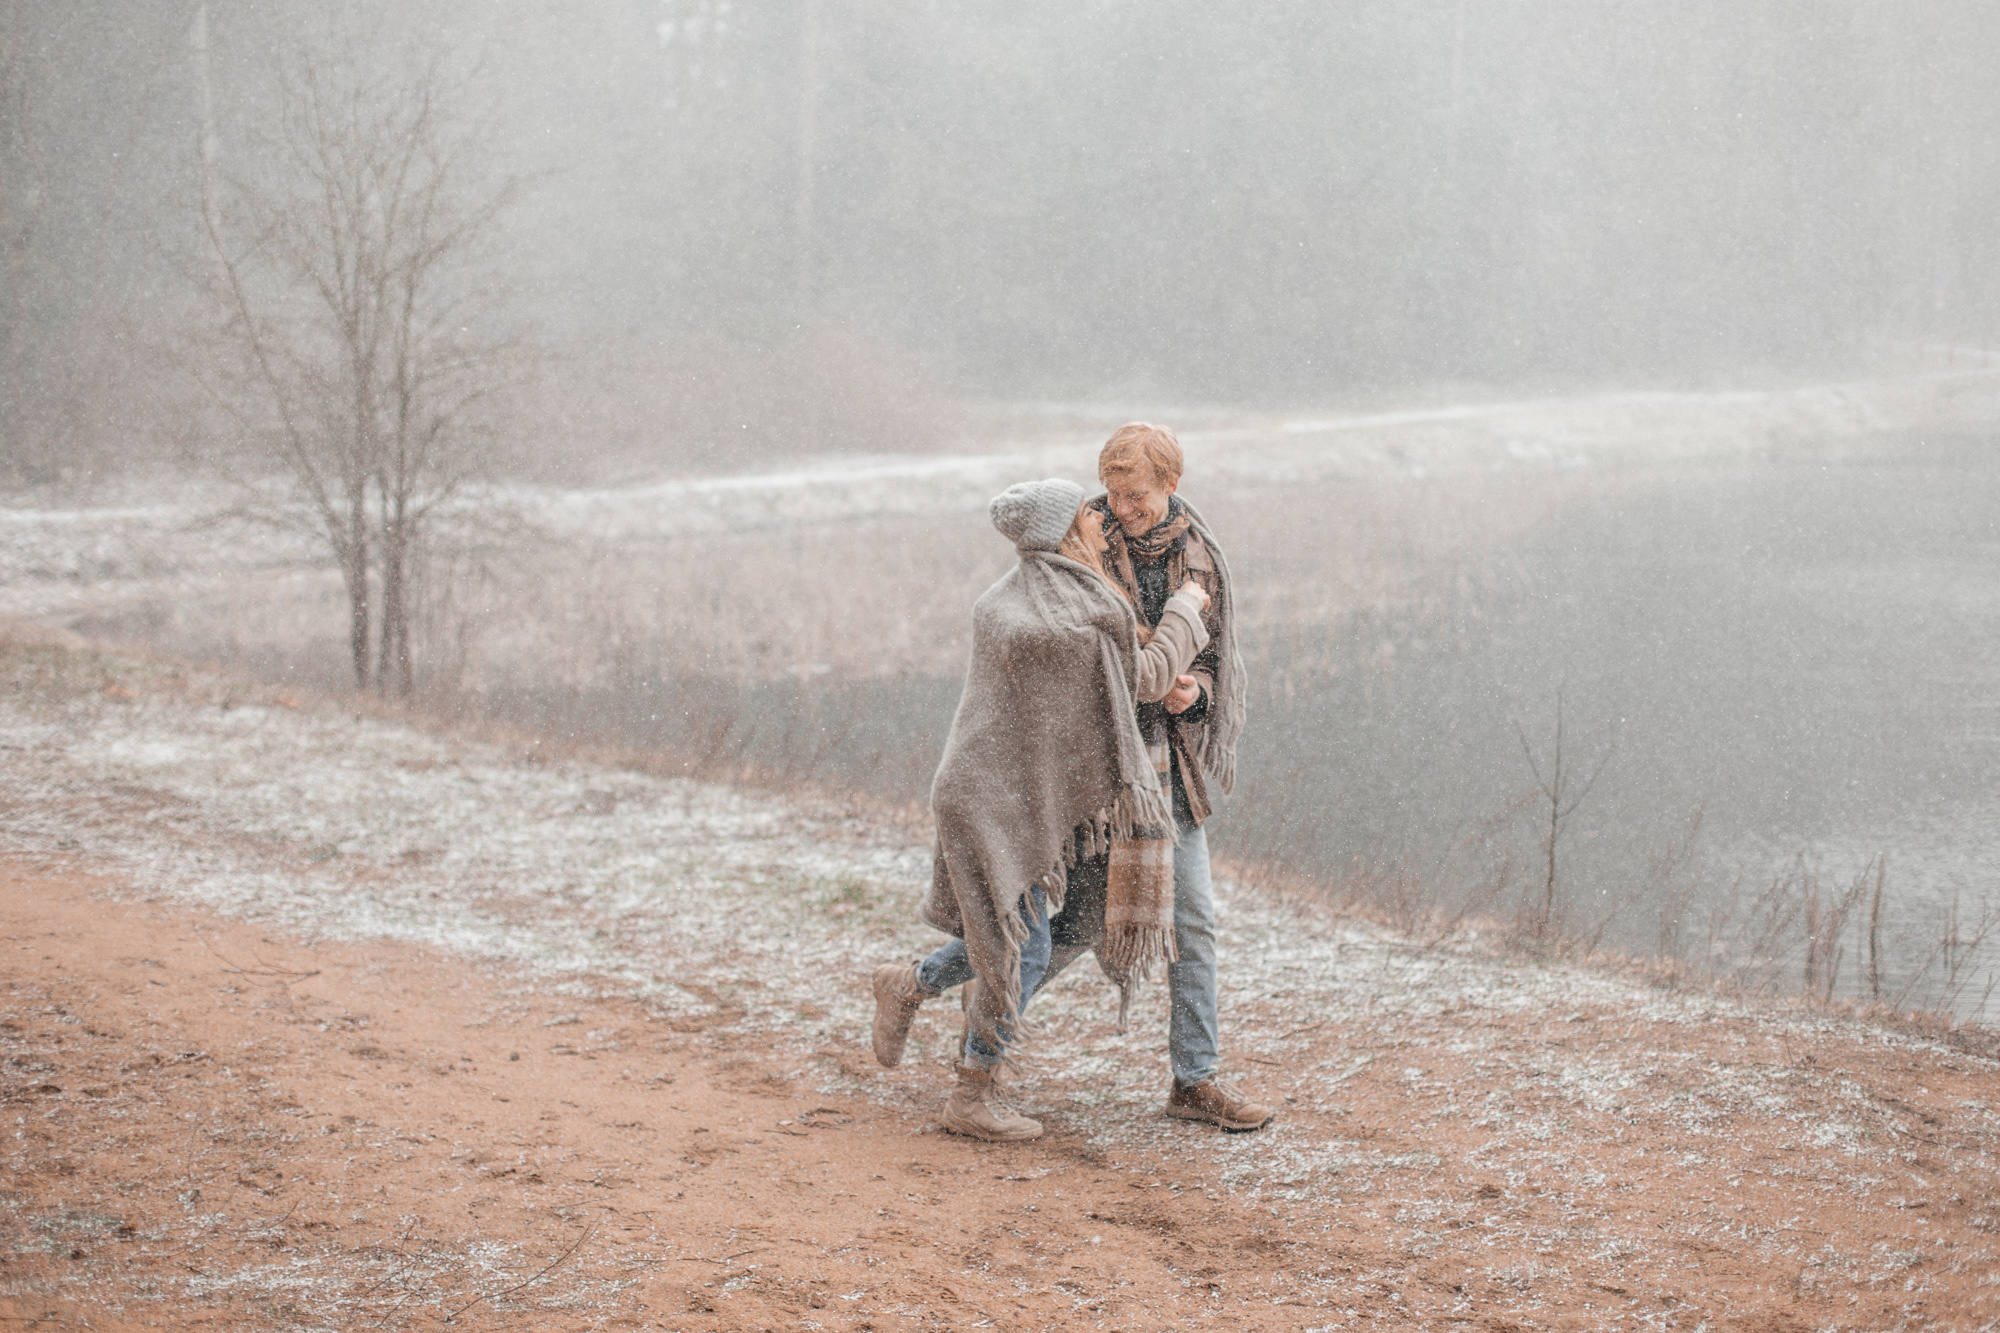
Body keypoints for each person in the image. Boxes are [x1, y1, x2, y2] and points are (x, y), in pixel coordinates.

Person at [870, 477, 1213, 1141]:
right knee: (1022, 948)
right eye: (1085, 512)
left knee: (1020, 932)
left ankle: (910, 984)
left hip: (987, 789)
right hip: (999, 801)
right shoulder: (1075, 611)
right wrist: (1185, 609)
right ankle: (971, 1092)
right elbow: (1144, 679)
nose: (1099, 517)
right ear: (1063, 530)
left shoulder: (1009, 597)